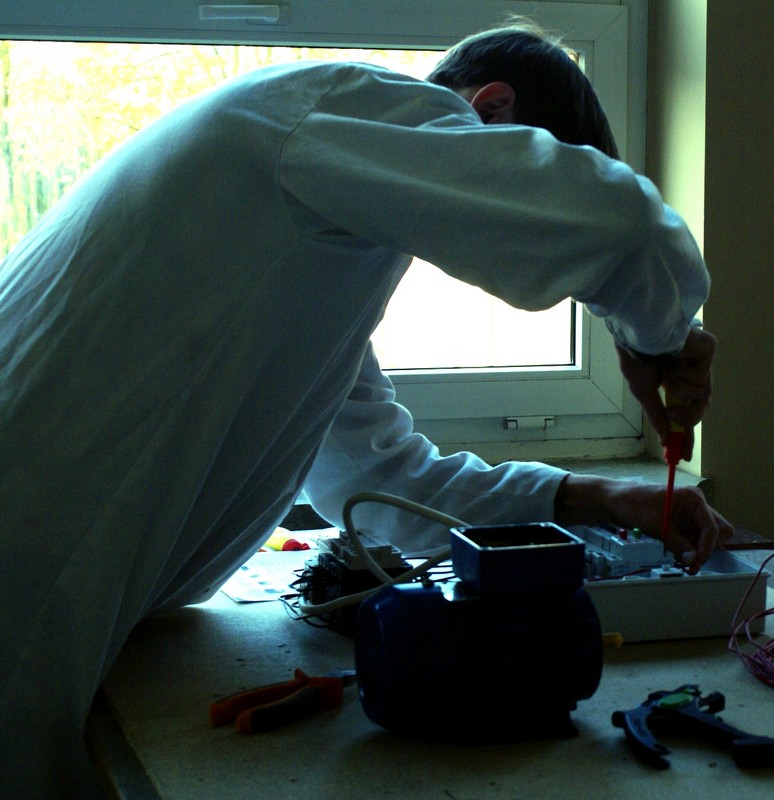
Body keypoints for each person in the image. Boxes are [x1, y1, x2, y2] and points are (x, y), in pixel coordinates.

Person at [0, 21, 728, 798]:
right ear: (489, 109)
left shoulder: (302, 238)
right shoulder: (337, 111)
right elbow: (624, 229)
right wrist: (657, 341)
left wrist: (596, 497)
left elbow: (376, 478)